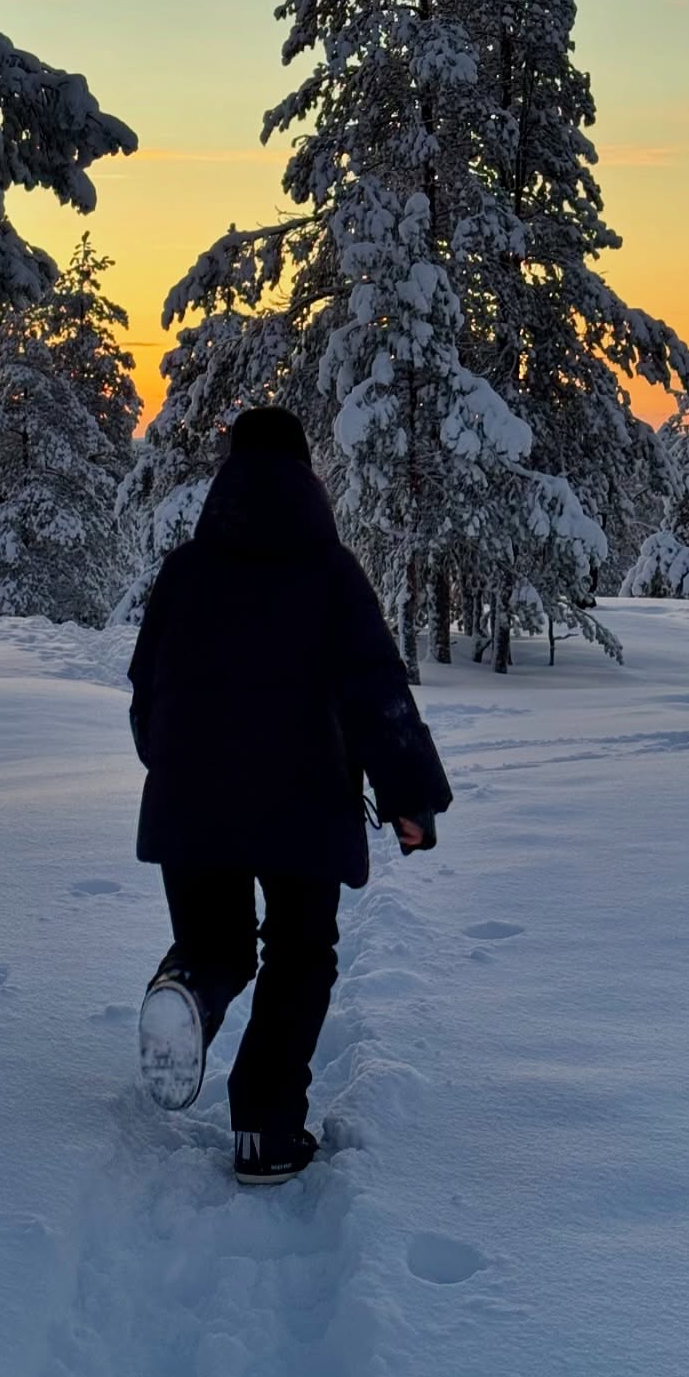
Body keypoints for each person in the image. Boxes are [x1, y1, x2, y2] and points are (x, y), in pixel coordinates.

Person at [127, 405, 453, 1185]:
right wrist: (412, 797)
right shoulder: (330, 574)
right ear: (307, 477)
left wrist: (169, 761)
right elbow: (376, 692)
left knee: (219, 946)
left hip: (194, 798)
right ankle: (266, 1133)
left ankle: (191, 990)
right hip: (302, 799)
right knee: (301, 953)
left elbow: (147, 689)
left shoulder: (184, 572)